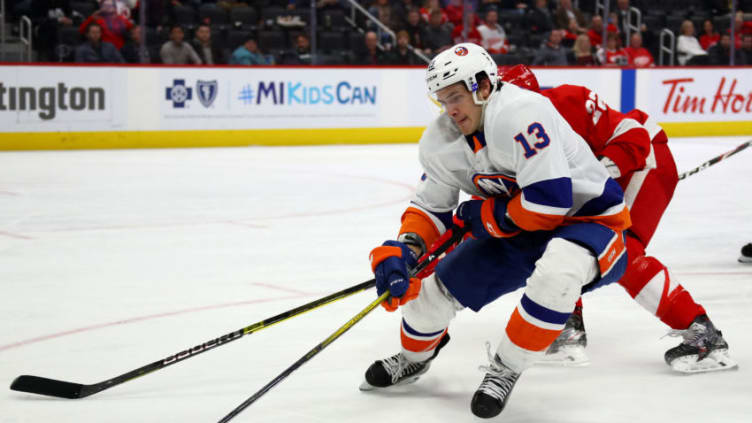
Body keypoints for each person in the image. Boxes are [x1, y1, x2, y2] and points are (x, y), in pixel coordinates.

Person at [361, 43, 631, 419]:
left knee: (558, 274)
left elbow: (551, 201)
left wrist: (485, 215)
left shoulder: (522, 112)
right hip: (518, 226)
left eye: (456, 95)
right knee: (431, 294)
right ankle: (413, 359)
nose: (450, 108)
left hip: (588, 222)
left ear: (484, 87)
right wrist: (407, 247)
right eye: (442, 99)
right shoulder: (441, 140)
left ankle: (505, 369)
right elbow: (430, 206)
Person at [500, 64, 736, 373]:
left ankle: (703, 335)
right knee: (557, 241)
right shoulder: (502, 133)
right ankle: (567, 329)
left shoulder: (567, 102)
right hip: (601, 175)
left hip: (644, 159)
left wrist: (606, 170)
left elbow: (633, 134)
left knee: (621, 249)